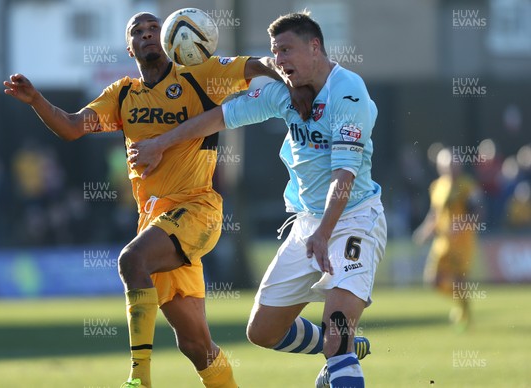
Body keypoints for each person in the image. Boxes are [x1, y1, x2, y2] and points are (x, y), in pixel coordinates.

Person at [4, 11, 313, 388]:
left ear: (168, 38)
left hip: (198, 210)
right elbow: (72, 127)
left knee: (132, 260)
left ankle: (139, 379)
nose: (147, 34)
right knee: (196, 345)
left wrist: (290, 78)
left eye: (154, 28)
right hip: (156, 223)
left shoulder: (199, 74)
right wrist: (36, 100)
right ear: (128, 44)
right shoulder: (122, 95)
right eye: (138, 30)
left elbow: (257, 64)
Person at [129, 12, 386, 388]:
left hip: (353, 219)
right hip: (308, 223)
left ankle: (340, 352)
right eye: (273, 52)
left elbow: (343, 176)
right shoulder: (280, 89)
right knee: (262, 331)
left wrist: (324, 233)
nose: (278, 60)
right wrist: (158, 144)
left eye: (286, 49)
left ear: (315, 47)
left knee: (337, 334)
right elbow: (219, 117)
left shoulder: (349, 93)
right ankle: (339, 350)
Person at [413, 147, 482, 330]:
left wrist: (460, 227)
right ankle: (462, 304)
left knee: (459, 279)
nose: (451, 168)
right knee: (432, 280)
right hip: (443, 241)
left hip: (463, 242)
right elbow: (435, 214)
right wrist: (425, 231)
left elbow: (477, 213)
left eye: (454, 164)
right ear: (440, 167)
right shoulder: (437, 186)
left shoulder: (468, 185)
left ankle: (466, 317)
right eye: (447, 165)